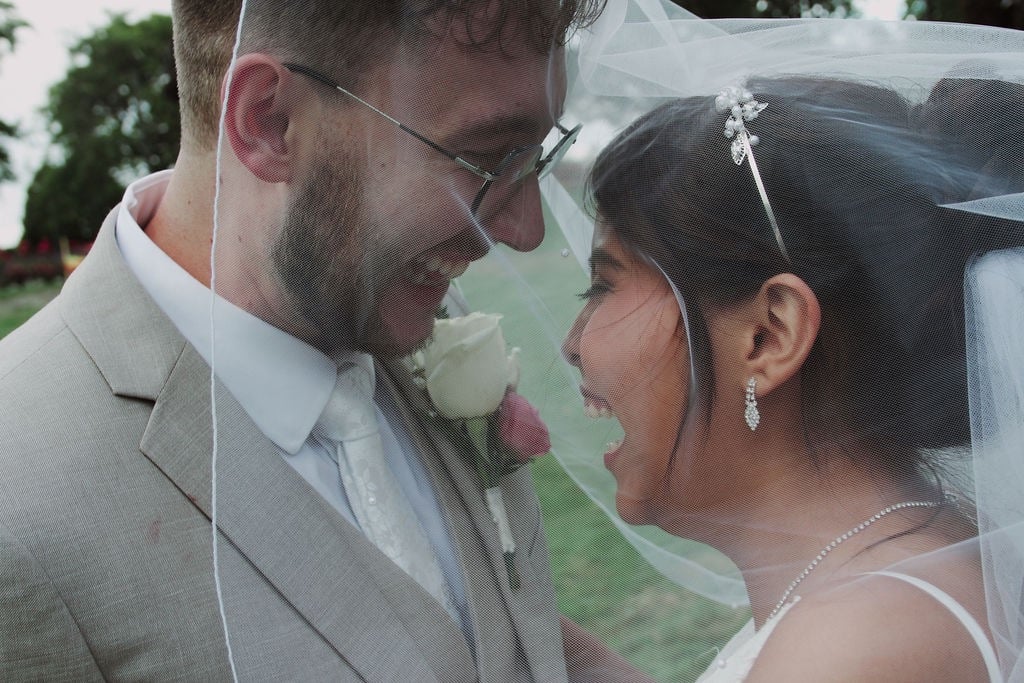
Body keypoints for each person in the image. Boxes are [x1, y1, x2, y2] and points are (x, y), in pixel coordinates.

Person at [0, 1, 655, 680]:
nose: (525, 229)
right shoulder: (19, 511)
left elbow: (499, 633)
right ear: (270, 122)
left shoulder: (417, 309)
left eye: (537, 156)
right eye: (486, 159)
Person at [558, 51, 1024, 683]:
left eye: (603, 287)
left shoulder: (851, 646)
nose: (573, 343)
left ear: (769, 333)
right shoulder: (912, 566)